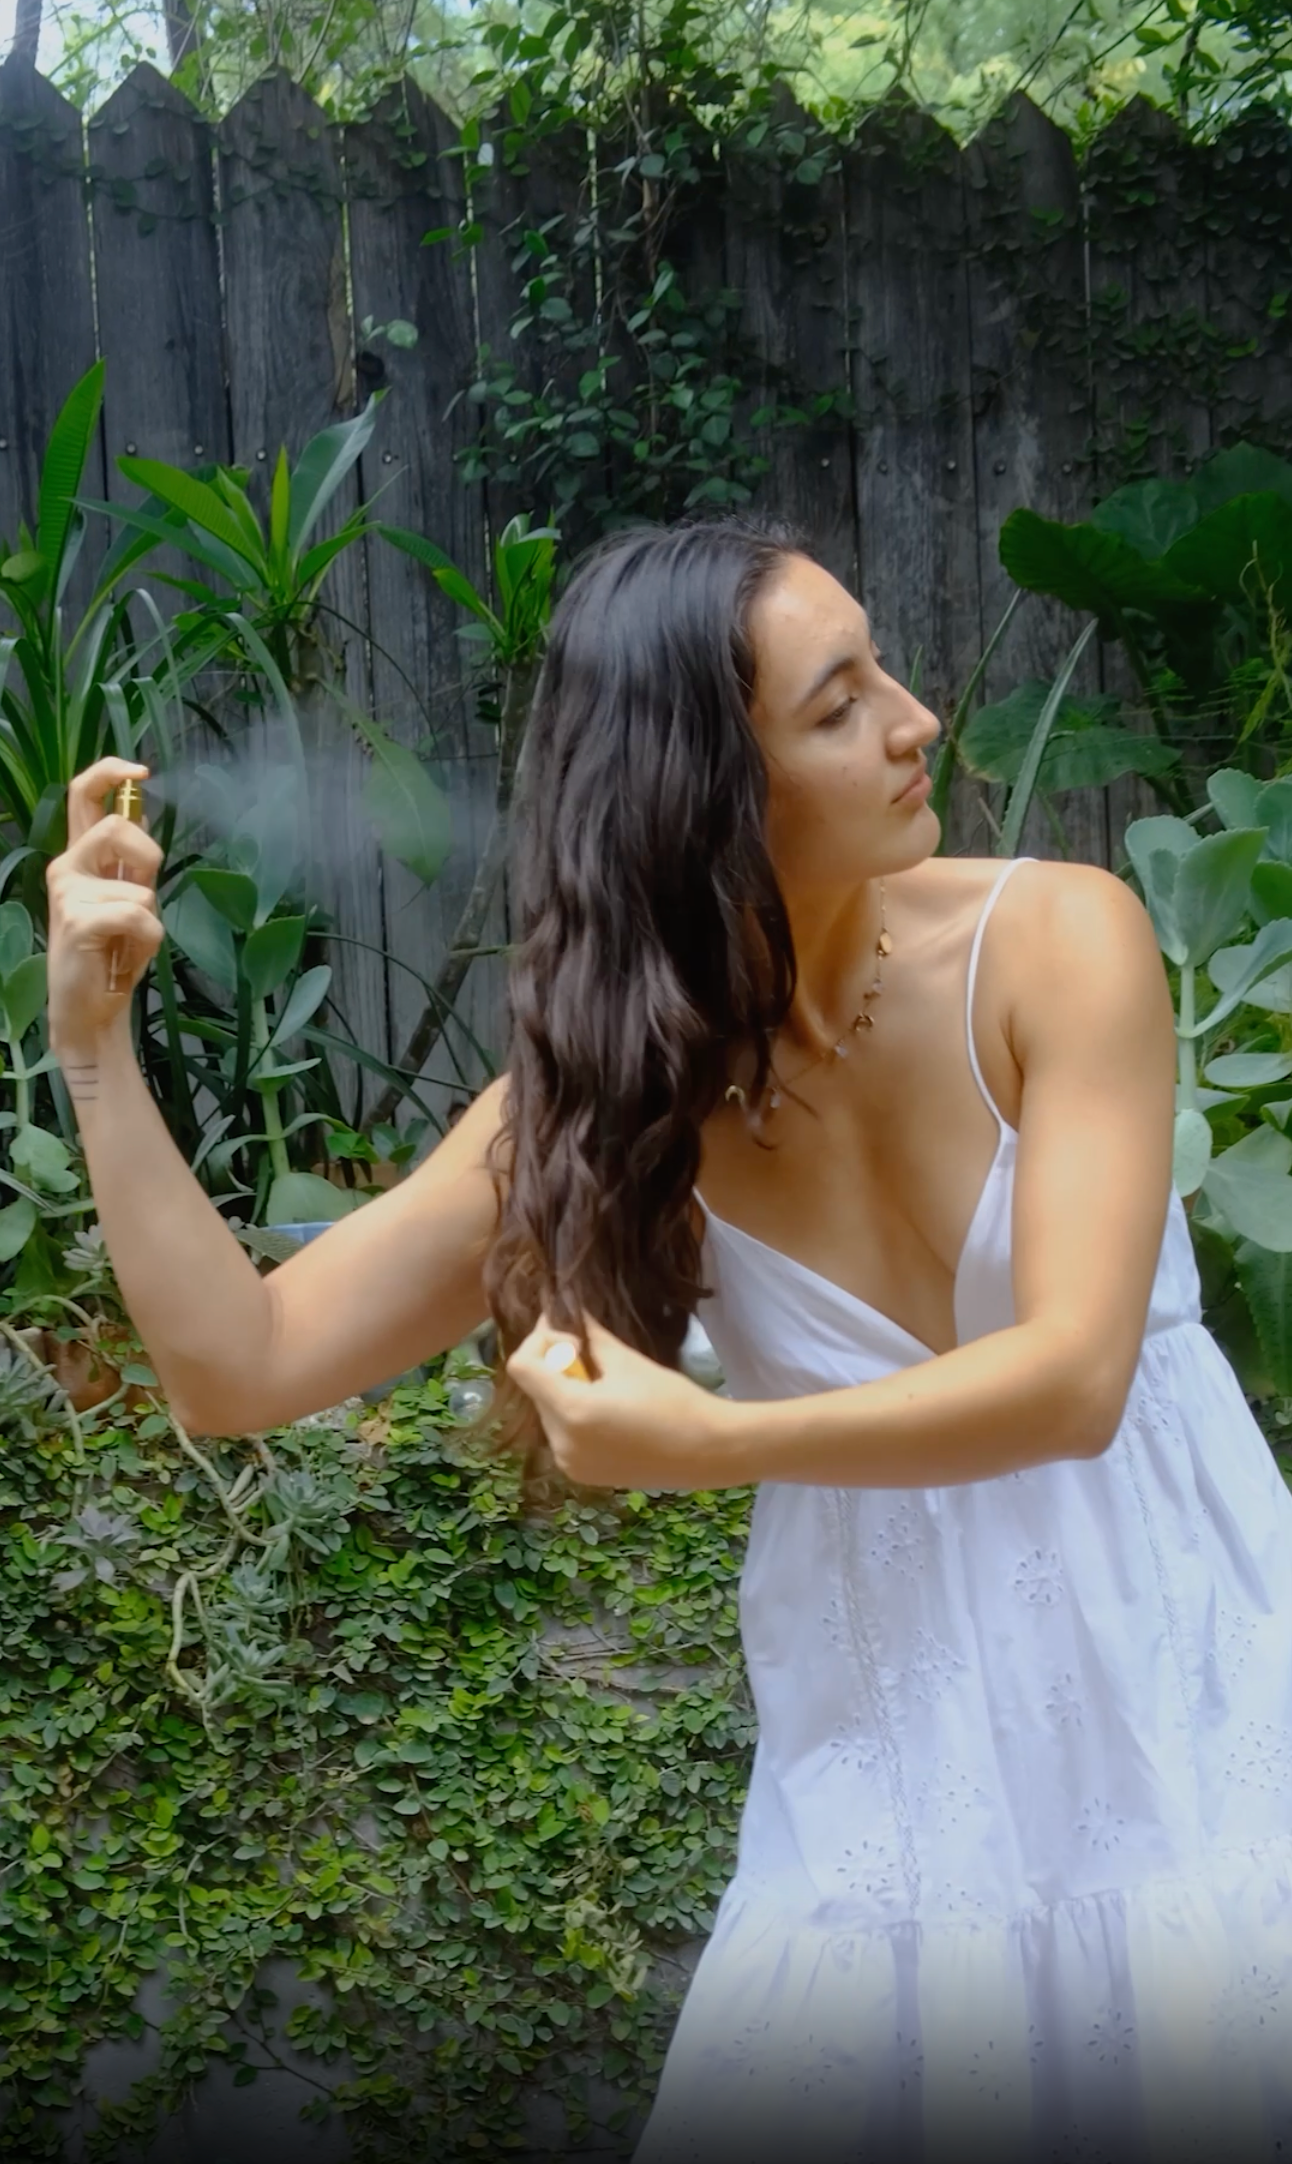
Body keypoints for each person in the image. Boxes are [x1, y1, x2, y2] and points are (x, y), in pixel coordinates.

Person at [45, 517, 1292, 2163]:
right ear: (709, 794)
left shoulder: (1061, 940)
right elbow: (242, 1367)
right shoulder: (619, 1105)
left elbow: (1073, 1379)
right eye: (839, 704)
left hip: (1184, 1701)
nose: (917, 719)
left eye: (881, 671)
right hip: (892, 1794)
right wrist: (94, 1052)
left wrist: (718, 1443)